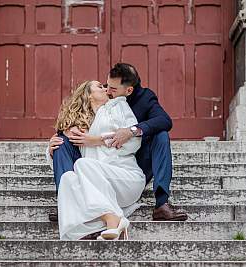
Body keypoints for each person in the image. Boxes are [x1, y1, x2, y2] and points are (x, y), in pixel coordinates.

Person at [49, 63, 188, 221]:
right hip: (97, 166)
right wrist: (53, 145)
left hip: (132, 161)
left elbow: (164, 121)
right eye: (106, 85)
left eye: (112, 89)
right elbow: (71, 132)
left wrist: (131, 131)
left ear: (128, 90)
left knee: (161, 135)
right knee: (61, 143)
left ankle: (162, 204)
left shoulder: (142, 99)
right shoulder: (98, 107)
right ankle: (66, 202)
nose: (107, 91)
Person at [51, 80, 145, 240]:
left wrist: (96, 140)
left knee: (82, 164)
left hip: (125, 178)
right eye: (99, 86)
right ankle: (96, 227)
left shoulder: (118, 106)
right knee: (68, 178)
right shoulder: (80, 126)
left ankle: (110, 219)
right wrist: (51, 148)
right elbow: (64, 155)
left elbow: (134, 141)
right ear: (88, 95)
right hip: (97, 185)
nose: (106, 88)